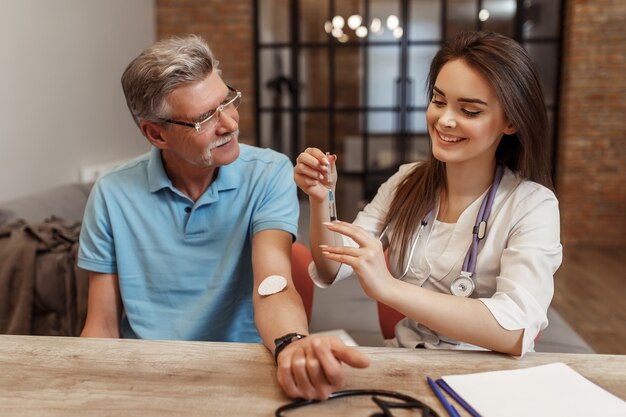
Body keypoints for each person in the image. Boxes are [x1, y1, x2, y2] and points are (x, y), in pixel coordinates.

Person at [78, 34, 368, 400]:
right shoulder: (111, 194)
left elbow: (273, 281)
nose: (229, 124)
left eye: (227, 102)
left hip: (243, 366)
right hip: (146, 370)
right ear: (156, 134)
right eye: (204, 118)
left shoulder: (268, 173)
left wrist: (292, 343)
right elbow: (102, 327)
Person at [295, 31, 562, 357]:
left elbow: (517, 329)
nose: (444, 120)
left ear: (510, 121)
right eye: (438, 101)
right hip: (407, 360)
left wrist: (390, 288)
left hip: (490, 373)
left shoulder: (533, 205)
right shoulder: (406, 181)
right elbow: (331, 268)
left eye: (470, 111)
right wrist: (323, 199)